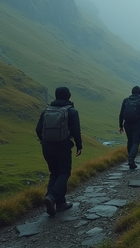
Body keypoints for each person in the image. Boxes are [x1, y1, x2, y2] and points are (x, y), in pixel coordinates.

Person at [35, 86, 82, 216]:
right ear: (69, 96)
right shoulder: (71, 111)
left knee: (54, 173)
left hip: (46, 146)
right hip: (63, 146)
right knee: (64, 172)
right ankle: (52, 197)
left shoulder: (46, 111)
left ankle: (60, 203)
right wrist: (79, 146)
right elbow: (76, 131)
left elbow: (38, 130)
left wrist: (44, 141)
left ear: (55, 96)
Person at [119, 86, 140, 169]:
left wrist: (121, 125)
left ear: (132, 92)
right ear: (139, 92)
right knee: (136, 142)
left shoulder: (126, 100)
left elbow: (121, 113)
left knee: (130, 140)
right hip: (137, 123)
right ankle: (131, 158)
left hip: (127, 124)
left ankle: (130, 158)